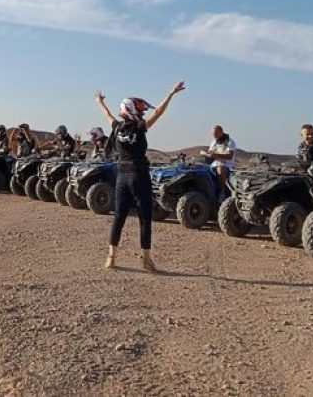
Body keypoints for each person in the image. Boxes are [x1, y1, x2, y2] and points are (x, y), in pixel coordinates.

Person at [94, 82, 186, 272]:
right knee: (145, 218)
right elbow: (158, 112)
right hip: (139, 176)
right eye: (140, 111)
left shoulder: (117, 128)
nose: (143, 114)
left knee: (119, 217)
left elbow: (107, 115)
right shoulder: (140, 127)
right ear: (133, 110)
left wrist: (99, 101)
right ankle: (146, 260)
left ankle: (111, 257)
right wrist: (170, 94)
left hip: (122, 177)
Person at [204, 125, 236, 200]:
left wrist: (215, 155)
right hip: (213, 164)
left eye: (216, 134)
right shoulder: (214, 142)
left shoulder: (230, 142)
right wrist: (207, 154)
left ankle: (222, 192)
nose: (214, 136)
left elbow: (230, 156)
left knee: (220, 169)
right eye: (213, 135)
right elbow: (210, 152)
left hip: (226, 165)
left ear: (221, 132)